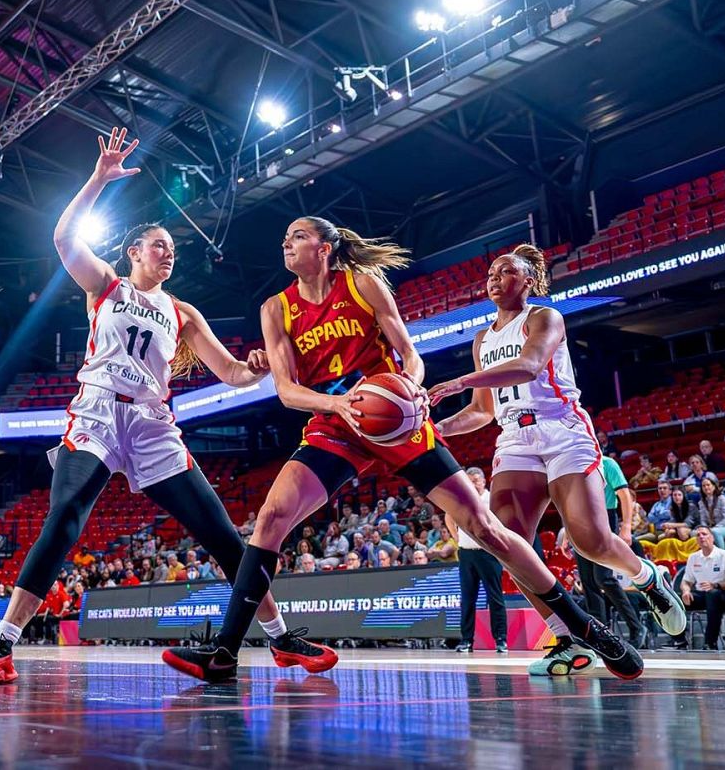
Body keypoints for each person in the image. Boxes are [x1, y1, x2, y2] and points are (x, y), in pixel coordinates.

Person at [163, 231, 640, 683]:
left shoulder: (363, 284)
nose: (286, 243)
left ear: (325, 248)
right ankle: (226, 652)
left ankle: (584, 628)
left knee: (486, 529)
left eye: (297, 236)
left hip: (396, 419)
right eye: (285, 239)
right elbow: (287, 391)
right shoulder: (276, 308)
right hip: (337, 422)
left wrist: (409, 385)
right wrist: (336, 405)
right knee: (270, 518)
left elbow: (410, 356)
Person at [0, 129, 318, 685]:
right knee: (64, 518)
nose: (168, 252)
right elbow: (62, 239)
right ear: (133, 251)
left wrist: (253, 367)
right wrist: (100, 179)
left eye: (172, 250)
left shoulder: (182, 312)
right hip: (101, 412)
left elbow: (229, 372)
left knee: (224, 535)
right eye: (158, 245)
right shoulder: (106, 286)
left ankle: (281, 640)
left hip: (154, 424)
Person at [426, 244, 680, 676]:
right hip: (515, 438)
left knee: (590, 542)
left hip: (563, 430)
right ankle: (566, 638)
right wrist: (436, 430)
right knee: (508, 544)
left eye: (507, 272)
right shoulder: (482, 339)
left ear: (528, 282)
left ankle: (646, 577)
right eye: (491, 272)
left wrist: (458, 381)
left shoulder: (544, 318)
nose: (494, 278)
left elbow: (528, 366)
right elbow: (482, 411)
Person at [572, 454, 647, 647]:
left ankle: (636, 626)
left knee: (603, 577)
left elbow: (624, 495)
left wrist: (626, 526)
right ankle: (600, 632)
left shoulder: (607, 463)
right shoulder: (573, 465)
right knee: (588, 580)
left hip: (604, 516)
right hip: (580, 520)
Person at [448, 467, 507, 653]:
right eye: (469, 480)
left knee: (495, 597)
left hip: (488, 553)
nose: (473, 484)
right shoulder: (462, 498)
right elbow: (448, 517)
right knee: (467, 598)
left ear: (483, 481)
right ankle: (466, 640)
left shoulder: (492, 499)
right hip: (466, 553)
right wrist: (457, 539)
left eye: (475, 480)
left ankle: (500, 639)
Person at [673, 527, 725, 650]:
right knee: (673, 601)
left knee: (712, 594)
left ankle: (710, 642)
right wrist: (686, 591)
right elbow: (686, 581)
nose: (701, 537)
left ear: (712, 538)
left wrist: (715, 585)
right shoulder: (693, 557)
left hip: (722, 594)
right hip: (701, 594)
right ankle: (679, 640)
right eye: (698, 535)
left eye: (704, 534)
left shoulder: (724, 555)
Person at [692, 477, 725, 549]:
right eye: (703, 486)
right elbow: (703, 520)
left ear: (714, 486)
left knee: (715, 532)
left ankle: (722, 555)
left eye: (708, 485)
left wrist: (713, 528)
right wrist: (704, 529)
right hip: (712, 528)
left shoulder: (722, 499)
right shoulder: (701, 503)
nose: (706, 487)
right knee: (694, 533)